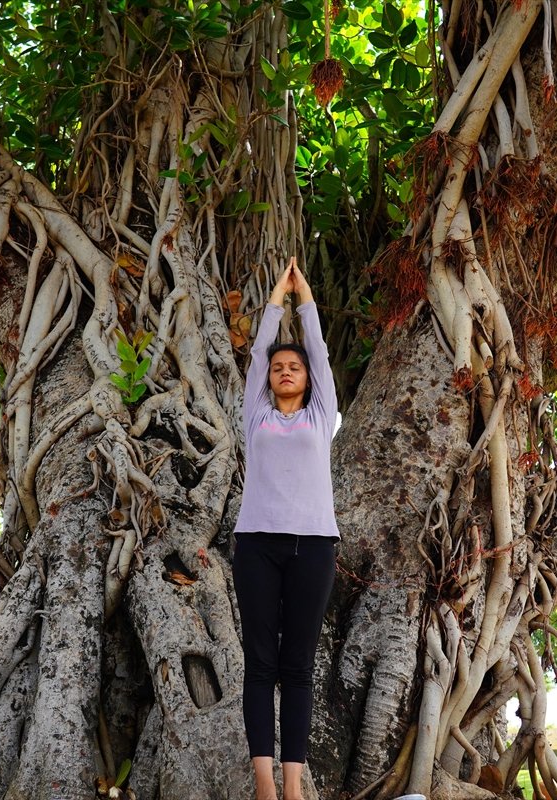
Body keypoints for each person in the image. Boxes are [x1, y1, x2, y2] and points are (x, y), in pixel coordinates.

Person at [233, 257, 339, 800]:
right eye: (280, 367)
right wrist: (276, 299)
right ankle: (264, 785)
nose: (287, 370)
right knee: (260, 663)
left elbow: (319, 352)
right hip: (256, 544)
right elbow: (256, 356)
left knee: (297, 665)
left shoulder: (322, 415)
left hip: (315, 545)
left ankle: (293, 788)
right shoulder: (256, 415)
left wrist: (306, 300)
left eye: (294, 366)